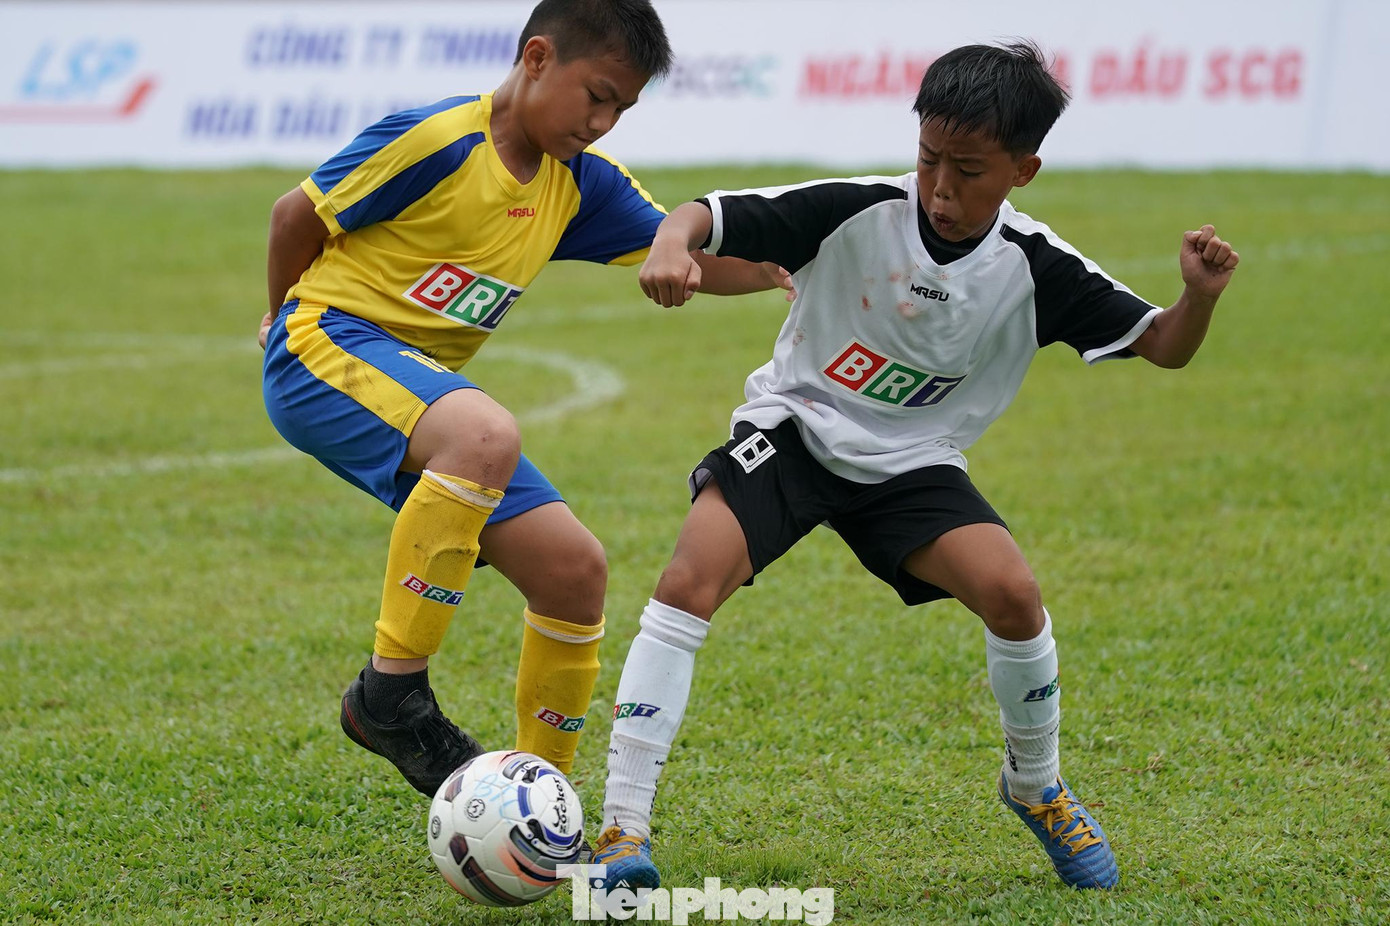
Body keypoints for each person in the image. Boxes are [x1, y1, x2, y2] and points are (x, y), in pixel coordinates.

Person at [591, 41, 1239, 891]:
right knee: (686, 581)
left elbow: (1162, 347)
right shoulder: (859, 208)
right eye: (930, 158)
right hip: (796, 426)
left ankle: (1036, 785)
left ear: (1023, 170)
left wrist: (1197, 297)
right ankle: (621, 828)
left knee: (1013, 594)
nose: (940, 187)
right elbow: (704, 215)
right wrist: (673, 244)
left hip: (911, 461)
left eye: (969, 171)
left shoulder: (1036, 267)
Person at [259, 0, 785, 799]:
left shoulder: (578, 186)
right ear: (537, 58)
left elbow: (692, 255)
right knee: (485, 434)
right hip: (323, 347)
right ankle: (390, 697)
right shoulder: (439, 141)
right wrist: (278, 317)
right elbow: (296, 214)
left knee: (576, 570)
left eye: (624, 108)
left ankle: (546, 802)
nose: (604, 122)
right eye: (597, 95)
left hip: (425, 403)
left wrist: (792, 265)